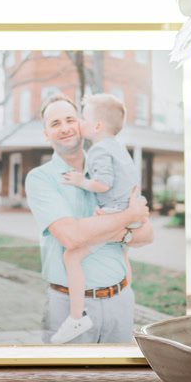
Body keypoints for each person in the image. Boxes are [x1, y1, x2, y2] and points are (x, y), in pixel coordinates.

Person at [24, 95, 152, 346]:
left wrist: (122, 232)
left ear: (84, 123)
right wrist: (127, 219)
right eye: (55, 123)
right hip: (67, 305)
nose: (65, 128)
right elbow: (71, 237)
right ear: (46, 134)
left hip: (120, 301)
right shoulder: (40, 178)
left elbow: (148, 234)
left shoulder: (108, 165)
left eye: (70, 119)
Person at [51, 91, 141, 344]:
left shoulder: (100, 150)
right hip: (130, 211)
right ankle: (126, 298)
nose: (79, 123)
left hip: (116, 212)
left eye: (83, 118)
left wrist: (81, 181)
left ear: (97, 125)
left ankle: (77, 318)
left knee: (71, 256)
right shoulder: (119, 148)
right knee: (122, 253)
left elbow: (103, 184)